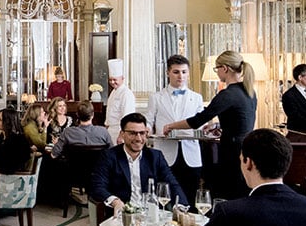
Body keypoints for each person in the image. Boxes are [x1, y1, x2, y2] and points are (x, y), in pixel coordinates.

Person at [162, 50, 257, 198]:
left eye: (217, 69)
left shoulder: (227, 94)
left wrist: (171, 126)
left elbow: (197, 121)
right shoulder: (249, 91)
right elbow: (241, 119)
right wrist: (218, 126)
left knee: (227, 191)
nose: (217, 73)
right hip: (246, 147)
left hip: (232, 150)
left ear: (224, 68)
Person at [90, 113, 186, 213]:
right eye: (132, 133)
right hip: (123, 214)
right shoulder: (109, 156)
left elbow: (172, 184)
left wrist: (181, 207)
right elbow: (98, 186)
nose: (139, 138)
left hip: (151, 214)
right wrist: (115, 202)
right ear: (122, 134)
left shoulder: (155, 156)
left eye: (142, 133)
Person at [146, 55, 204, 205]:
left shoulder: (196, 98)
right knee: (164, 196)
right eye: (176, 72)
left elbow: (201, 125)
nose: (181, 76)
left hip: (190, 154)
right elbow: (148, 120)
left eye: (184, 72)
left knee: (190, 197)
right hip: (165, 152)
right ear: (168, 73)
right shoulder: (156, 97)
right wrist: (146, 130)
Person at [104, 59, 136, 143]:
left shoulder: (126, 94)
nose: (112, 82)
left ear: (122, 78)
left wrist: (121, 136)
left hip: (120, 131)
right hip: (111, 131)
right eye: (110, 80)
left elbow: (127, 117)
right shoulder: (113, 92)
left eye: (115, 80)